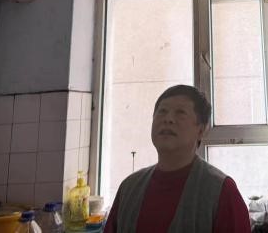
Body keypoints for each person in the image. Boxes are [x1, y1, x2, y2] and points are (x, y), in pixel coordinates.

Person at [104, 84, 251, 233]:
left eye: (180, 112)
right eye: (162, 111)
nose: (168, 119)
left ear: (201, 130)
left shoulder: (222, 192)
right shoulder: (129, 187)